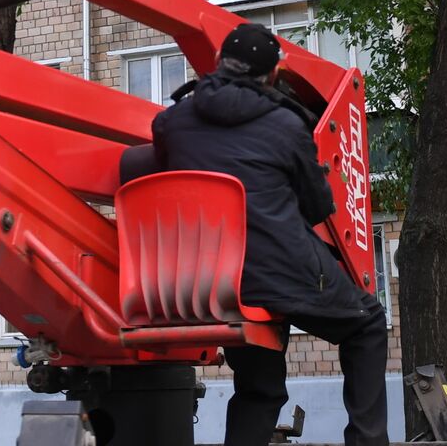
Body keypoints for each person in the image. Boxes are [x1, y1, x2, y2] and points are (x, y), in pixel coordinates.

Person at [151, 23, 389, 446]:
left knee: (260, 386)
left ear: (220, 63)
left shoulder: (172, 121)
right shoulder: (285, 124)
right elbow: (318, 206)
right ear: (273, 75)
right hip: (276, 273)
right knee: (367, 322)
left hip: (208, 280)